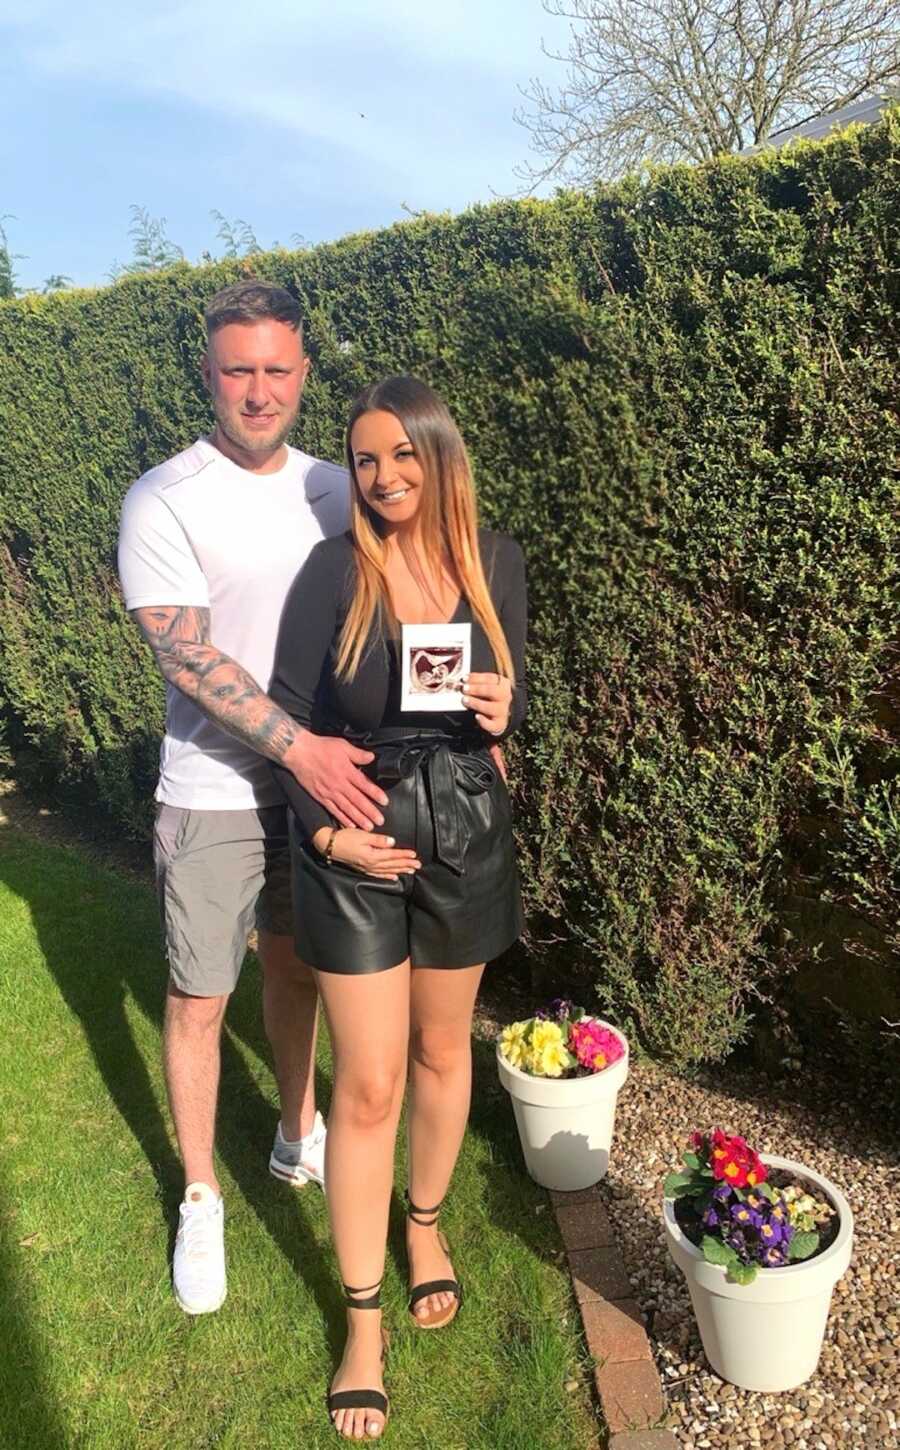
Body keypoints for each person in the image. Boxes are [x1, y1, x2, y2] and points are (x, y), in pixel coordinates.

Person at [117, 280, 391, 1316]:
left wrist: (476, 702)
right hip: (216, 789)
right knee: (198, 997)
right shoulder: (164, 496)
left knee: (296, 965)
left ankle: (293, 1131)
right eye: (240, 369)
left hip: (319, 777)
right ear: (209, 375)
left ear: (304, 372)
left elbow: (407, 590)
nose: (260, 389)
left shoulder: (336, 485)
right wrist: (303, 752)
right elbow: (190, 656)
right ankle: (199, 1196)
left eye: (278, 368)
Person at [269, 374, 527, 1440]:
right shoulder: (334, 570)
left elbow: (509, 711)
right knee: (367, 1083)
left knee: (439, 1053)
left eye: (400, 456)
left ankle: (426, 1227)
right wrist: (326, 833)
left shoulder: (494, 561)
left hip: (463, 830)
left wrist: (510, 701)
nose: (381, 478)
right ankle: (363, 1321)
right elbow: (286, 719)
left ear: (438, 454)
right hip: (353, 839)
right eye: (365, 459)